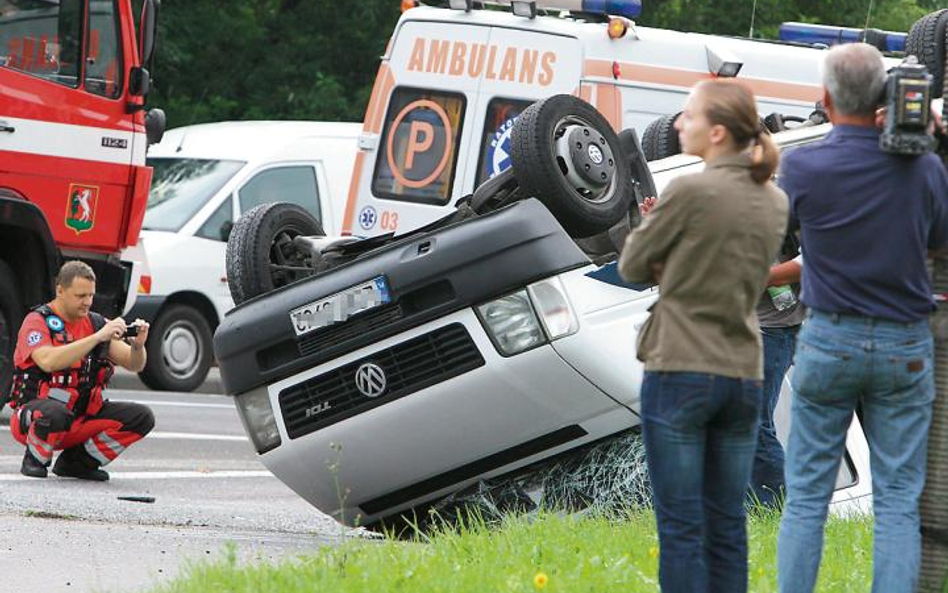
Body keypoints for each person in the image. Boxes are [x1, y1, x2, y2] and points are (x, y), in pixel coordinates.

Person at [776, 43, 948, 593]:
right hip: (905, 346)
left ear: (825, 99)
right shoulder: (923, 168)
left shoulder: (801, 166)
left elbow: (778, 233)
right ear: (886, 95)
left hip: (829, 339)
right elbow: (940, 244)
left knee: (805, 496)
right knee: (898, 498)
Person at [619, 79, 788, 593]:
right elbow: (728, 268)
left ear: (716, 133)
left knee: (681, 526)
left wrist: (660, 247)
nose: (677, 124)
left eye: (688, 116)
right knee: (727, 524)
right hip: (742, 370)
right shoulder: (774, 200)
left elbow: (630, 264)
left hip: (681, 368)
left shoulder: (689, 190)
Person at [8, 261, 155, 481]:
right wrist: (96, 338)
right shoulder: (37, 321)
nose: (87, 302)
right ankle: (35, 458)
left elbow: (134, 364)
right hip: (37, 417)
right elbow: (47, 361)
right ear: (60, 291)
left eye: (91, 296)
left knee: (141, 417)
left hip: (81, 417)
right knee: (56, 413)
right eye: (80, 296)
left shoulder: (95, 323)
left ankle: (77, 462)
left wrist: (138, 345)